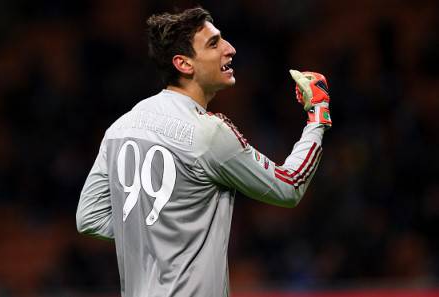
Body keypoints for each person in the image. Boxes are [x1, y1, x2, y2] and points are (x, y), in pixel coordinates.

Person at [76, 6, 331, 297]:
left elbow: (89, 217)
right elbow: (289, 186)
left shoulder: (120, 128)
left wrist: (156, 236)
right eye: (214, 43)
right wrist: (317, 116)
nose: (230, 49)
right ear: (184, 64)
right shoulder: (207, 134)